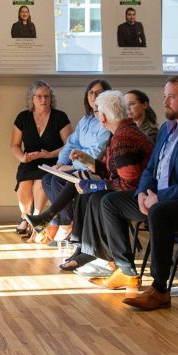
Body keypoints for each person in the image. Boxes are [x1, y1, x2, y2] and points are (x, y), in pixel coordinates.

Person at [95, 75, 178, 311]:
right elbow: (150, 168)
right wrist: (142, 193)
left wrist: (159, 198)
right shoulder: (167, 128)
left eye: (171, 96)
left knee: (160, 211)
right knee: (110, 202)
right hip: (162, 199)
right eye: (164, 96)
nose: (165, 101)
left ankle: (159, 290)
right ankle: (126, 270)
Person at [52, 90, 154, 271]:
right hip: (137, 192)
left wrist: (93, 185)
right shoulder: (120, 133)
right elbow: (110, 172)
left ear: (103, 117)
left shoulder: (124, 138)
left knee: (101, 198)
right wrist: (88, 161)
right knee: (91, 196)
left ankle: (118, 264)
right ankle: (89, 250)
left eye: (97, 112)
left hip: (144, 198)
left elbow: (128, 184)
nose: (97, 116)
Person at [28, 79, 111, 243]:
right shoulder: (86, 119)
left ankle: (66, 225)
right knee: (47, 179)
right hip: (77, 163)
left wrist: (72, 165)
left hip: (94, 167)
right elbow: (71, 143)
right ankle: (64, 221)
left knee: (58, 180)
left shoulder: (105, 120)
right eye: (91, 92)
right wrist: (61, 162)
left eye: (98, 92)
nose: (93, 96)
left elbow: (97, 152)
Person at [11, 81, 72, 238]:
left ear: (51, 98)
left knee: (40, 182)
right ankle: (25, 218)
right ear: (32, 99)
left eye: (47, 96)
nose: (43, 100)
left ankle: (37, 218)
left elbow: (69, 145)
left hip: (53, 160)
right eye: (39, 96)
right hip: (29, 161)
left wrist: (49, 155)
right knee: (24, 184)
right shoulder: (23, 117)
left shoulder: (60, 117)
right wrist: (22, 158)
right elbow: (15, 145)